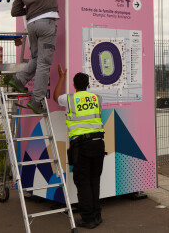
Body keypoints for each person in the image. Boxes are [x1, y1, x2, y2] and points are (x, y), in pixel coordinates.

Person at [9, 0, 73, 113]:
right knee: (44, 63)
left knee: (37, 58)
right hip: (46, 24)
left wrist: (30, 8)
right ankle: (37, 100)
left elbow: (15, 12)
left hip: (31, 25)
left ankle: (19, 80)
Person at [54, 64, 105, 229]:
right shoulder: (97, 98)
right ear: (87, 85)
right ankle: (97, 216)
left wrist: (62, 77)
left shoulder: (69, 99)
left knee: (82, 182)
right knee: (94, 180)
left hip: (82, 146)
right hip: (98, 143)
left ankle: (88, 219)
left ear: (74, 85)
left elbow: (55, 97)